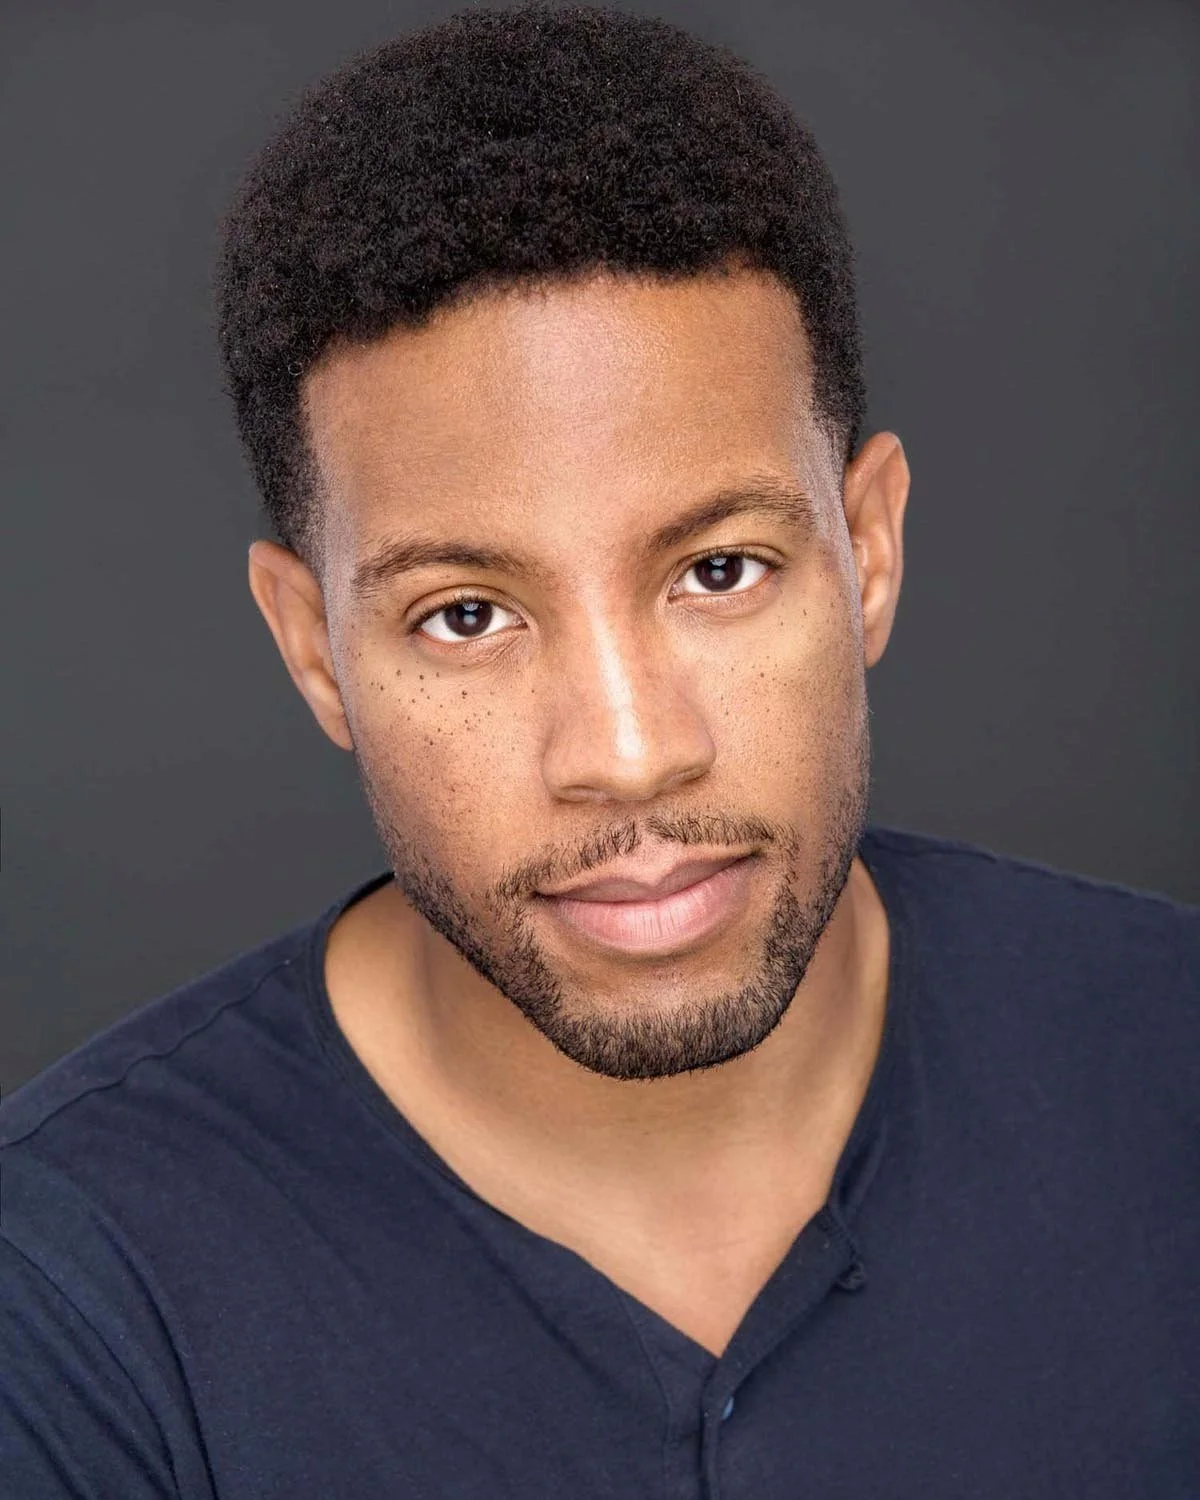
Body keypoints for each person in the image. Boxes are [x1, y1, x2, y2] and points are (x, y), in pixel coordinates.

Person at [3, 4, 1197, 1495]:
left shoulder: (1172, 1070)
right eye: (465, 614)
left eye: (718, 572)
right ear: (314, 650)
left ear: (870, 548)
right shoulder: (67, 1298)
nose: (630, 755)